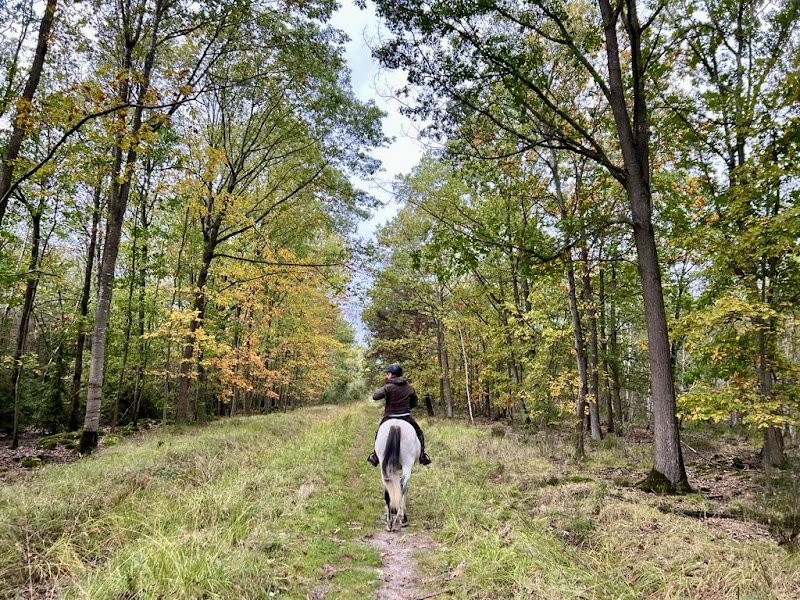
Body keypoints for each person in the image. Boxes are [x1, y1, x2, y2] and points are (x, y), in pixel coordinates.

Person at [367, 363, 431, 466]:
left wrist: (385, 388)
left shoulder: (388, 387)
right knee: (419, 433)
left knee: (379, 433)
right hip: (406, 417)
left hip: (389, 417)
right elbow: (414, 403)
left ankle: (375, 456)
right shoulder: (410, 388)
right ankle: (422, 456)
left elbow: (375, 396)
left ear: (393, 375)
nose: (386, 376)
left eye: (388, 374)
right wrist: (405, 408)